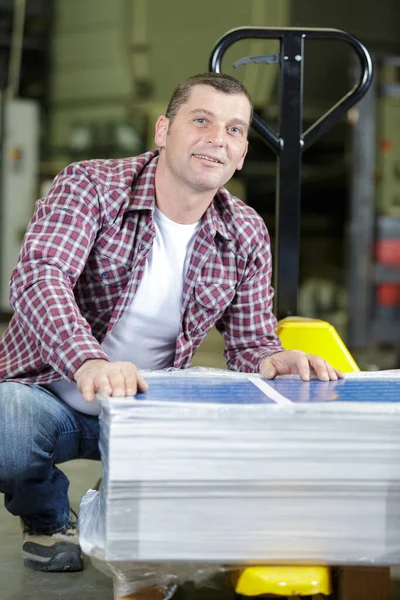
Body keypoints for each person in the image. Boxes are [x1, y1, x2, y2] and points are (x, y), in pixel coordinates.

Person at [0, 72, 343, 575]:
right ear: (163, 130)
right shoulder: (91, 185)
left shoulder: (244, 230)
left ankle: (120, 491)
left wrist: (274, 357)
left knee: (149, 549)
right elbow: (40, 276)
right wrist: (87, 360)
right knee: (6, 418)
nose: (216, 140)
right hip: (51, 397)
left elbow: (249, 343)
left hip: (148, 411)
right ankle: (47, 517)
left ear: (243, 152)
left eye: (233, 130)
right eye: (200, 121)